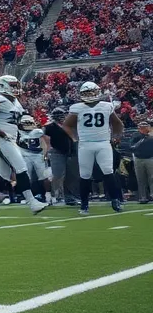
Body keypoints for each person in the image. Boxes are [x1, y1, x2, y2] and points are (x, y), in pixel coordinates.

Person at [0, 74, 50, 218]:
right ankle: (32, 202)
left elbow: (15, 123)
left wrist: (25, 135)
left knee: (4, 175)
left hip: (10, 138)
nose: (16, 88)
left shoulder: (15, 102)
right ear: (2, 86)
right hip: (1, 138)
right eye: (12, 86)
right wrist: (3, 135)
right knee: (21, 167)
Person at [63, 81, 125, 214]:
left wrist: (117, 137)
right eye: (87, 93)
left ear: (98, 92)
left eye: (92, 92)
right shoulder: (77, 108)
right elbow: (66, 125)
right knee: (85, 174)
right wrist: (74, 138)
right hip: (85, 144)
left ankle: (115, 200)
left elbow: (118, 124)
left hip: (103, 142)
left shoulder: (106, 106)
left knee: (108, 171)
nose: (90, 95)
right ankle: (84, 204)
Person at [16, 115, 54, 205]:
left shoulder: (38, 132)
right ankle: (28, 197)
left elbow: (46, 142)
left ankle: (48, 195)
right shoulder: (17, 132)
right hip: (24, 156)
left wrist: (46, 154)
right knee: (25, 177)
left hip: (38, 156)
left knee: (44, 177)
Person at [45, 108, 76, 206]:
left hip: (69, 152)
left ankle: (69, 197)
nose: (62, 117)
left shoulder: (69, 126)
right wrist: (47, 152)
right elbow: (47, 140)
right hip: (56, 152)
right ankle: (54, 196)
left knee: (70, 176)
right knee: (57, 175)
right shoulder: (49, 127)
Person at [132, 120, 153, 204]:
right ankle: (143, 196)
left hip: (150, 158)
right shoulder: (136, 136)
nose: (143, 129)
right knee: (141, 179)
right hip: (138, 158)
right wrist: (143, 140)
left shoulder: (151, 137)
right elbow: (132, 147)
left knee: (152, 178)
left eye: (145, 127)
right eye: (142, 127)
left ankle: (152, 194)